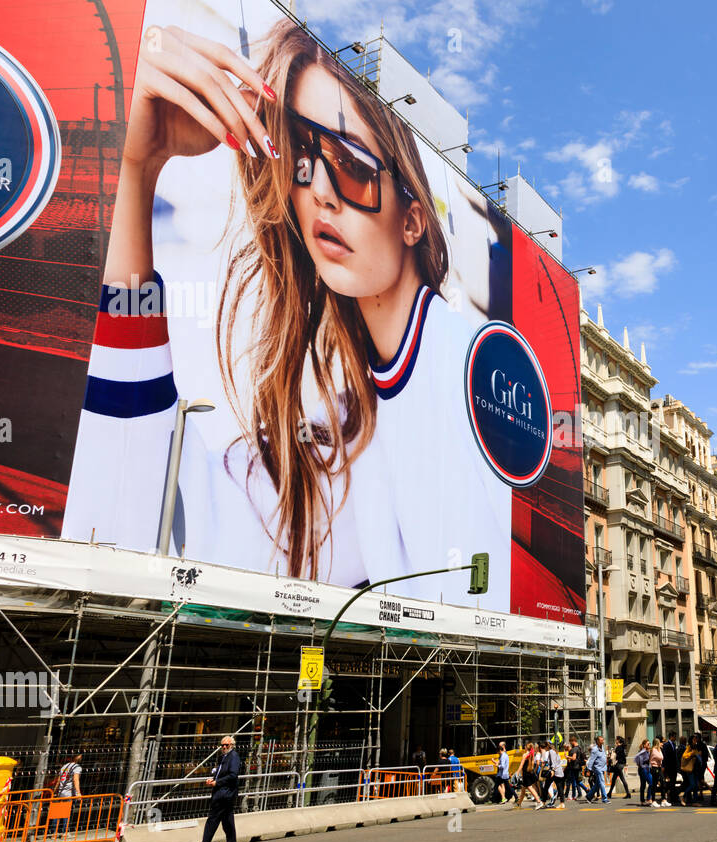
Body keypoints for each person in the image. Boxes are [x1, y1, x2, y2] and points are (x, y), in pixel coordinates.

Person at [61, 17, 510, 601]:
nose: (320, 189)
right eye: (302, 160)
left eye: (350, 163)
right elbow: (130, 528)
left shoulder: (480, 370)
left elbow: (493, 595)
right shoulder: (330, 450)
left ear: (412, 217)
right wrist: (136, 174)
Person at [192, 736, 241, 842]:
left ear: (232, 745)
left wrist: (217, 782)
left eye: (227, 745)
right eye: (222, 745)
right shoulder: (222, 757)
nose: (224, 747)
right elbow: (220, 773)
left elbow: (233, 775)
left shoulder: (234, 757)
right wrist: (213, 779)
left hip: (225, 793)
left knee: (212, 819)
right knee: (227, 820)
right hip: (221, 791)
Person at [48, 753, 84, 837]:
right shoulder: (77, 767)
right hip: (69, 793)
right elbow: (76, 780)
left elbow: (59, 780)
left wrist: (55, 791)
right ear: (76, 757)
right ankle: (65, 832)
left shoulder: (64, 766)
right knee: (67, 813)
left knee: (57, 813)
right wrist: (78, 793)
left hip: (61, 793)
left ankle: (54, 833)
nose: (81, 757)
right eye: (79, 755)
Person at [584, 736, 609, 804]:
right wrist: (589, 770)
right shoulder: (595, 749)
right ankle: (605, 798)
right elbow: (591, 760)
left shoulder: (602, 747)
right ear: (597, 741)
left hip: (603, 767)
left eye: (603, 740)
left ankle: (589, 796)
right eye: (601, 740)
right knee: (602, 782)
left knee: (598, 784)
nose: (602, 741)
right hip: (597, 768)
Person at [607, 735, 631, 799]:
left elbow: (616, 757)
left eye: (616, 739)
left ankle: (628, 793)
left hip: (618, 765)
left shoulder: (618, 747)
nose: (615, 740)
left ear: (618, 740)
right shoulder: (623, 747)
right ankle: (609, 793)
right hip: (621, 764)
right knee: (614, 779)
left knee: (622, 779)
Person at [633, 740, 655, 807]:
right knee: (650, 783)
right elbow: (638, 760)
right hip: (643, 769)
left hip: (646, 769)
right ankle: (648, 799)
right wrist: (643, 765)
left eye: (649, 744)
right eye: (648, 744)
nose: (649, 745)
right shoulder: (642, 752)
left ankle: (642, 800)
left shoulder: (647, 751)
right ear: (644, 745)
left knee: (643, 785)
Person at [679, 735, 699, 807]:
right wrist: (692, 753)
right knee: (692, 784)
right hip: (690, 769)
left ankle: (695, 801)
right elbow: (684, 756)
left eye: (696, 739)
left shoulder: (695, 747)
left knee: (696, 785)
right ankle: (683, 797)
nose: (695, 740)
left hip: (695, 768)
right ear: (691, 740)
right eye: (694, 739)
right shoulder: (689, 747)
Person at [544, 741, 565, 808]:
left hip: (554, 772)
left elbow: (553, 762)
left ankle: (542, 802)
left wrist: (552, 770)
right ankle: (562, 803)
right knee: (559, 787)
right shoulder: (555, 751)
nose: (544, 749)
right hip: (558, 771)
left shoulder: (551, 751)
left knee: (546, 786)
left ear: (547, 746)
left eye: (544, 747)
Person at [565, 735, 584, 800]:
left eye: (571, 742)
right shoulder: (579, 748)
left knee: (575, 782)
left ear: (573, 741)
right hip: (578, 766)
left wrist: (567, 757)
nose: (570, 744)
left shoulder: (575, 749)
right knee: (576, 781)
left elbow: (573, 758)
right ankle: (576, 794)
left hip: (574, 767)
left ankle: (575, 795)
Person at [649, 738, 666, 807]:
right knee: (654, 784)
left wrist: (659, 750)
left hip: (658, 767)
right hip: (655, 768)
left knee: (663, 782)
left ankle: (663, 800)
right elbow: (661, 757)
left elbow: (662, 757)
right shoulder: (654, 750)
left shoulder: (658, 750)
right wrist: (659, 750)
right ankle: (653, 800)